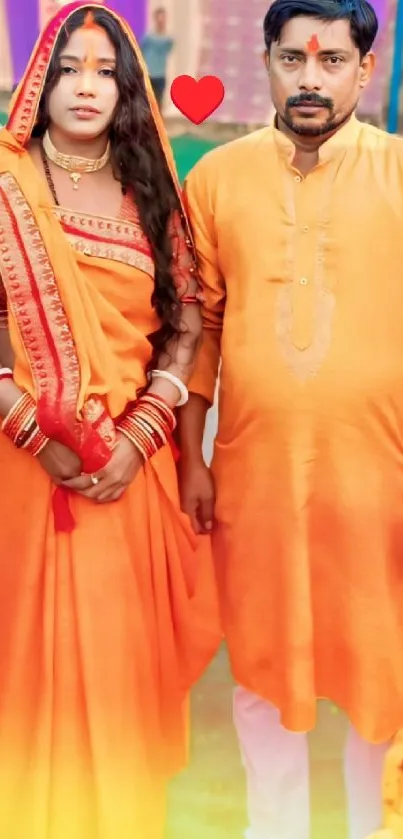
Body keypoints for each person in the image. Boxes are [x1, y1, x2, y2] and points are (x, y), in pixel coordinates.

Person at [178, 1, 403, 838]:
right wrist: (191, 457)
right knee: (263, 659)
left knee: (379, 664)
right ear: (264, 63)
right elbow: (195, 325)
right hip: (255, 471)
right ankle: (271, 828)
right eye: (292, 60)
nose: (310, 79)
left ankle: (369, 829)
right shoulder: (217, 179)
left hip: (380, 472)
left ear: (362, 69)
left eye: (331, 61)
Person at [0, 3, 221, 838]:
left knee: (120, 674)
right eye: (68, 68)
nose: (86, 86)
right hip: (20, 472)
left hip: (128, 477)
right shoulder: (7, 187)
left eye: (104, 70)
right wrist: (34, 433)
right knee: (23, 672)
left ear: (128, 87)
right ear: (37, 84)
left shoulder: (150, 191)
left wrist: (134, 441)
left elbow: (187, 323)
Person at [140, 7, 174, 110]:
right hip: (148, 75)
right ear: (155, 19)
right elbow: (140, 52)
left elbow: (168, 51)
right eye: (159, 18)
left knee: (159, 102)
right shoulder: (148, 37)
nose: (161, 21)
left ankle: (158, 125)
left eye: (163, 18)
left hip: (160, 75)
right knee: (147, 103)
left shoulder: (169, 39)